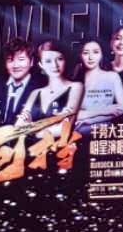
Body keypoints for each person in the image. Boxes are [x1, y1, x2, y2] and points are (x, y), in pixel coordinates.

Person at [17, 41, 81, 170]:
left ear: (65, 60)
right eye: (48, 61)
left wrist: (32, 128)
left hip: (60, 154)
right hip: (32, 155)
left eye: (59, 59)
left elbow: (64, 128)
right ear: (41, 64)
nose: (54, 65)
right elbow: (18, 127)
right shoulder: (35, 93)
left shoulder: (76, 87)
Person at [74, 39, 123, 130]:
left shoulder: (112, 76)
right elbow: (71, 115)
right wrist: (105, 110)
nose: (90, 57)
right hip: (78, 127)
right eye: (86, 53)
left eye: (95, 52)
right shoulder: (76, 80)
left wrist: (90, 120)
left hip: (103, 129)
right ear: (80, 55)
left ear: (101, 55)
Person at [0, 39, 42, 130]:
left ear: (31, 61)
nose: (15, 65)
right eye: (10, 60)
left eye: (21, 59)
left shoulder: (40, 90)